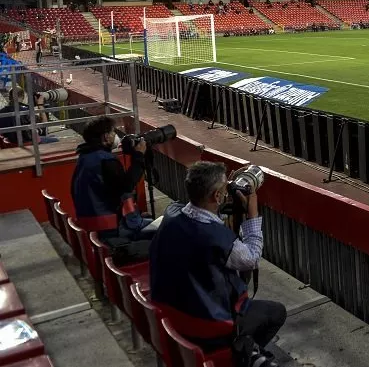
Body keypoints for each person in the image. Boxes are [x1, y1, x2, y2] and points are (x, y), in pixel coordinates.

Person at [150, 162, 285, 365]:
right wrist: (253, 216)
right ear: (217, 196)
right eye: (223, 190)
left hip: (170, 313)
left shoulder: (172, 214)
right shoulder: (217, 239)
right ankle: (241, 354)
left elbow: (201, 220)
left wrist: (223, 192)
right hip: (206, 326)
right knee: (276, 312)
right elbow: (252, 258)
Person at [71, 116, 153, 246]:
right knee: (166, 229)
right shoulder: (106, 161)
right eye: (113, 132)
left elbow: (111, 192)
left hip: (91, 225)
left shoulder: (84, 157)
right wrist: (139, 155)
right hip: (109, 230)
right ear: (105, 137)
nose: (115, 135)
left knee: (148, 219)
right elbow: (126, 186)